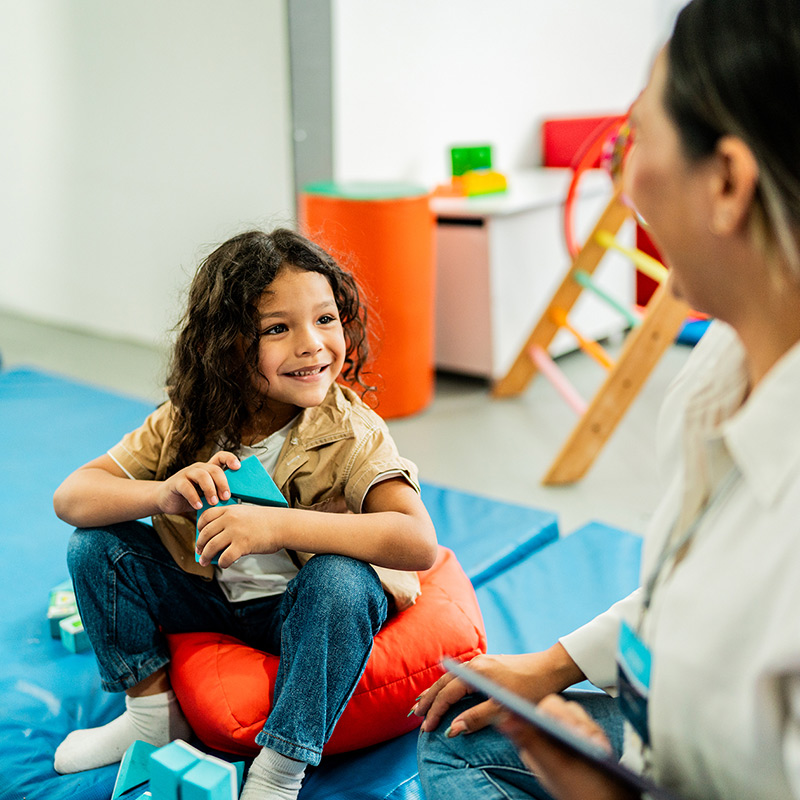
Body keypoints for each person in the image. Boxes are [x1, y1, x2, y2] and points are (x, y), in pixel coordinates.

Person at [415, 0, 800, 798]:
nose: (627, 183)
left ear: (727, 182)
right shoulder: (723, 367)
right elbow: (690, 587)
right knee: (458, 741)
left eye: (638, 139)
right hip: (668, 724)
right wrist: (548, 666)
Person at [51, 227, 437, 800]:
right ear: (226, 345)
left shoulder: (353, 433)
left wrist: (277, 527)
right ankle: (151, 721)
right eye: (278, 329)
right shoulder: (189, 417)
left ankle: (280, 768)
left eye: (325, 319)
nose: (312, 345)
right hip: (210, 597)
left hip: (301, 610)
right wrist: (163, 495)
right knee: (95, 546)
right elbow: (72, 496)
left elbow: (418, 542)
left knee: (341, 581)